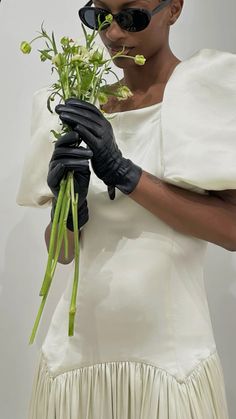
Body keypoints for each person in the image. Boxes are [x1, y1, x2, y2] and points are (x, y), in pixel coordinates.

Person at [16, 0, 236, 417]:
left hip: (169, 365)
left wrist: (125, 174)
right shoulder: (76, 104)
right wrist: (67, 211)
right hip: (76, 359)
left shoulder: (207, 93)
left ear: (174, 9)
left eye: (131, 16)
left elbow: (232, 230)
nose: (113, 33)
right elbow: (63, 253)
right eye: (99, 16)